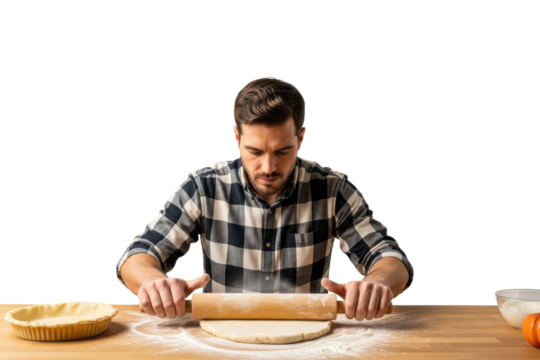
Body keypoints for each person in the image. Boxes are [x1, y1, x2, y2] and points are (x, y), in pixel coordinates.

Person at [115, 75, 414, 322]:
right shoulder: (204, 187)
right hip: (220, 339)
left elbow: (391, 258)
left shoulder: (331, 188)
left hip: (308, 342)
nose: (269, 167)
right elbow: (137, 256)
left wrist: (378, 284)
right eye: (255, 152)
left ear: (301, 138)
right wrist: (153, 283)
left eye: (283, 151)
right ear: (237, 138)